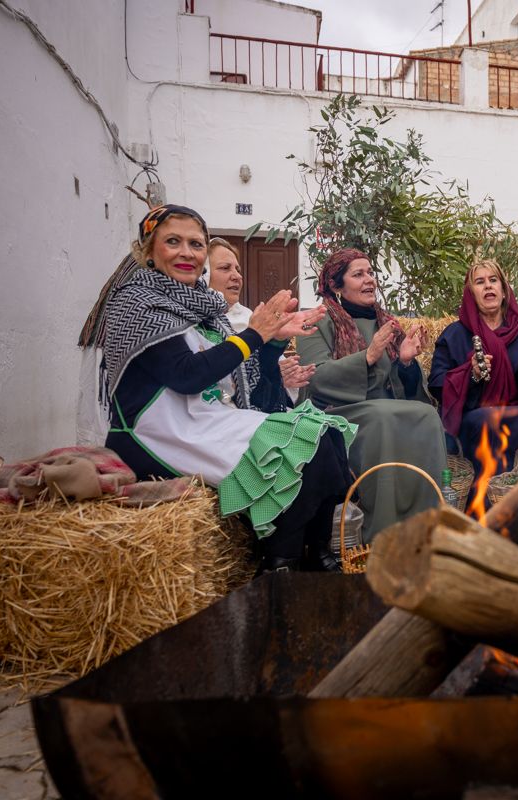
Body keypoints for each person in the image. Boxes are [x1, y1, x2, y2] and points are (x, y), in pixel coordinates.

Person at [83, 205, 358, 574]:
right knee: (302, 448)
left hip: (204, 419)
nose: (187, 252)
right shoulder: (137, 301)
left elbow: (242, 380)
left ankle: (317, 553)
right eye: (173, 242)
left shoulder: (202, 306)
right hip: (158, 432)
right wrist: (255, 334)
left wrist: (271, 341)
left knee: (327, 434)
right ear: (147, 251)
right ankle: (280, 564)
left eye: (195, 244)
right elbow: (187, 376)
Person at [295, 248, 448, 539]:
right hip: (336, 412)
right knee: (382, 417)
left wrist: (405, 362)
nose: (370, 280)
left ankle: (429, 525)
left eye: (370, 273)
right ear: (336, 285)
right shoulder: (316, 322)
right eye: (358, 274)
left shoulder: (386, 323)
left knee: (427, 414)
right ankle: (383, 531)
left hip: (384, 407)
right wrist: (368, 355)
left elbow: (401, 389)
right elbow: (316, 377)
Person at [429, 259, 518, 498]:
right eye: (480, 282)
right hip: (473, 413)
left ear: (504, 291)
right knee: (488, 419)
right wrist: (470, 374)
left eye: (493, 280)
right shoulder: (454, 334)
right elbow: (436, 383)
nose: (488, 286)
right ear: (471, 294)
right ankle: (486, 505)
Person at [207, 237, 313, 394]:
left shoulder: (248, 316)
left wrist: (279, 377)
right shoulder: (192, 322)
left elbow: (270, 374)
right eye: (225, 268)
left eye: (238, 269)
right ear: (203, 273)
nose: (237, 276)